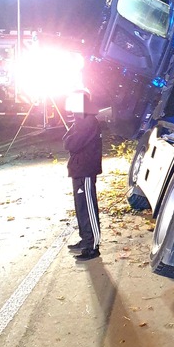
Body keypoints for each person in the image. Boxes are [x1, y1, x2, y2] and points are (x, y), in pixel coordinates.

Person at [64, 89, 102, 262]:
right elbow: (68, 140)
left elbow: (72, 143)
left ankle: (92, 245)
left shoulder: (87, 122)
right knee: (81, 207)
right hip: (79, 169)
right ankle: (85, 239)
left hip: (85, 169)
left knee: (88, 207)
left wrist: (70, 139)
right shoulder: (81, 120)